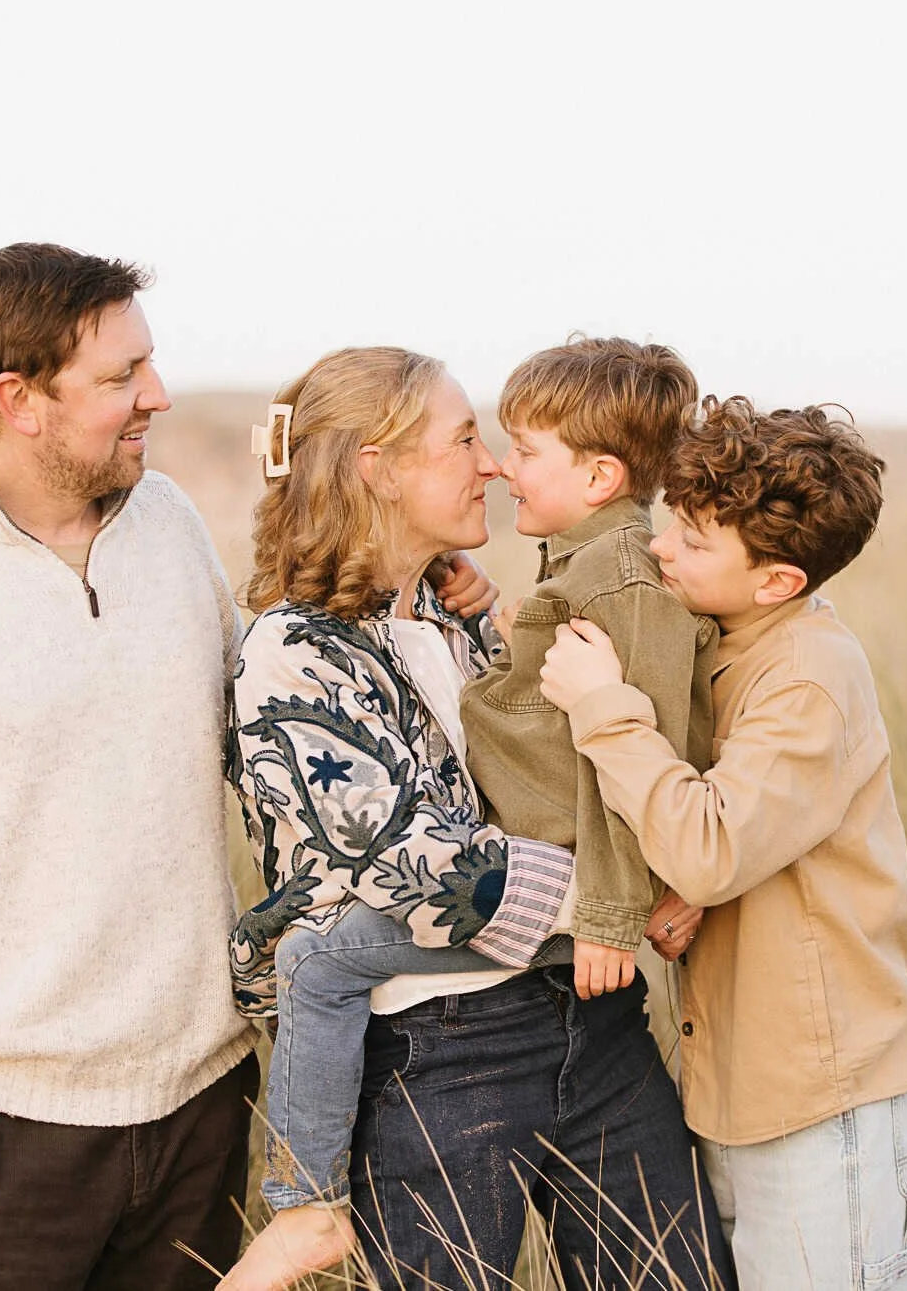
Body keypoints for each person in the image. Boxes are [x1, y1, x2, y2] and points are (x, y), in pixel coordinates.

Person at [0, 243, 494, 1290]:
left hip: (200, 1111)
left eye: (148, 364)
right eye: (120, 379)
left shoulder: (172, 526)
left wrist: (424, 593)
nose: (158, 395)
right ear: (20, 400)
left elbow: (283, 725)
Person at [220, 346, 735, 1291]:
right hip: (444, 1051)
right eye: (463, 440)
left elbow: (554, 767)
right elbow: (424, 873)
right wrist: (652, 887)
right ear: (378, 468)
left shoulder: (464, 612)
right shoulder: (292, 652)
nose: (492, 464)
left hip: (594, 1016)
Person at [539, 397, 907, 1291]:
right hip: (739, 1091)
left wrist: (602, 704)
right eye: (672, 517)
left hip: (820, 1104)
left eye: (695, 539)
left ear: (777, 582)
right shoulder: (722, 638)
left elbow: (713, 844)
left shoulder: (808, 674)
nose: (660, 546)